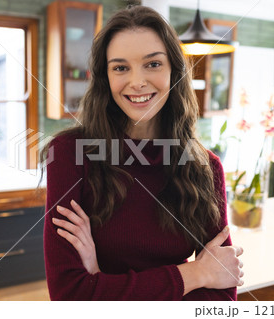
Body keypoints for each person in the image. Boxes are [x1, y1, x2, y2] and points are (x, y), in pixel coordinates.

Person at [39, 5, 244, 301]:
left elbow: (220, 298)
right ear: (105, 78)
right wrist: (196, 274)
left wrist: (101, 283)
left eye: (153, 64)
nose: (137, 82)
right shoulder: (71, 155)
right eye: (121, 67)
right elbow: (70, 296)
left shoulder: (205, 167)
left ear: (174, 70)